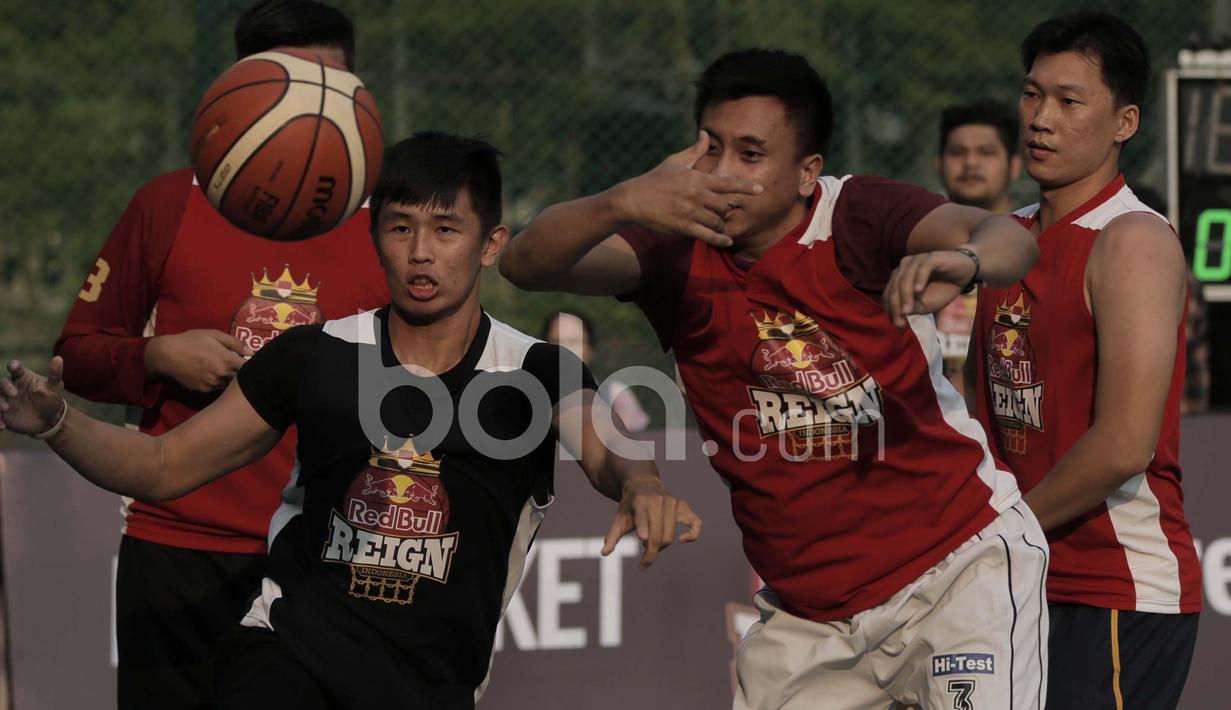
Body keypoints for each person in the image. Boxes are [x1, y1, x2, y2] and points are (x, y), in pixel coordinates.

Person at [3, 132, 701, 709]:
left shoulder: (537, 371)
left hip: (432, 685)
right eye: (400, 228)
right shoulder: (316, 354)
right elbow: (162, 467)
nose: (420, 252)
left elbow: (607, 451)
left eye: (445, 229)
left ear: (490, 245)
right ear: (375, 239)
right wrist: (57, 420)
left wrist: (641, 484)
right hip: (286, 656)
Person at [501, 48, 1047, 709]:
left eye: (751, 154)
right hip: (807, 620)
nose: (724, 174)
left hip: (956, 573)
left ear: (805, 172)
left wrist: (964, 259)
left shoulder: (858, 215)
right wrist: (620, 201)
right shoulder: (671, 252)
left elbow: (1007, 236)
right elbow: (524, 264)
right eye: (711, 148)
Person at [51, 2, 387, 706]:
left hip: (322, 559)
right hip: (177, 546)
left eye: (334, 88)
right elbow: (77, 354)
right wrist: (157, 357)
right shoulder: (170, 203)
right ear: (244, 85)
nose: (318, 111)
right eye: (294, 85)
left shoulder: (390, 223)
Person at [967, 13, 1201, 709]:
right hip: (1017, 580)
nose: (1040, 118)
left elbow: (1125, 443)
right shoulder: (1003, 239)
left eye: (1069, 102)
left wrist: (1000, 535)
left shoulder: (1131, 240)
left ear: (1123, 121)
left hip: (1113, 590)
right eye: (1031, 94)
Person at [934, 99, 1022, 396]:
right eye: (957, 152)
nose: (970, 163)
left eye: (986, 152)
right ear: (939, 163)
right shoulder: (911, 254)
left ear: (1015, 166)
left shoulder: (1033, 251)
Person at [542, 310, 651, 431]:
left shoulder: (615, 395)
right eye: (556, 341)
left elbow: (635, 444)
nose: (565, 349)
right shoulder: (531, 398)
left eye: (574, 341)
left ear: (590, 349)